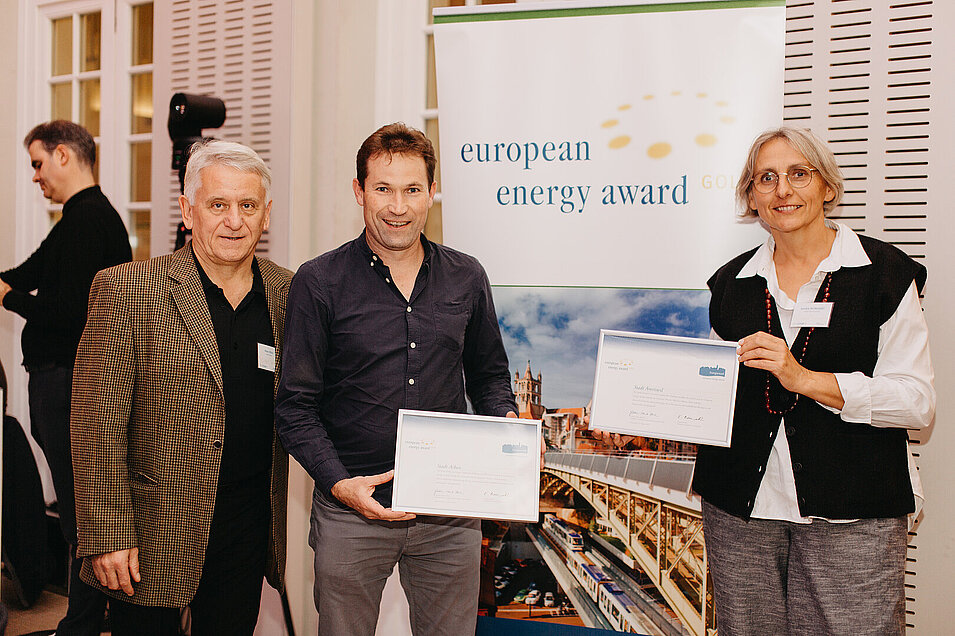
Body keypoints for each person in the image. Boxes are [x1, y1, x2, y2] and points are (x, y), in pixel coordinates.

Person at [275, 122, 518, 636]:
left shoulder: (467, 276)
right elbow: (295, 406)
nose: (398, 207)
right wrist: (339, 484)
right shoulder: (319, 282)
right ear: (359, 191)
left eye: (412, 189)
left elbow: (490, 377)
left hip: (449, 513)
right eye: (383, 189)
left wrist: (509, 424)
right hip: (351, 511)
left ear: (432, 192)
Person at [692, 127, 935, 635]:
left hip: (854, 514)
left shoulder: (884, 276)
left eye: (798, 174)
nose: (783, 190)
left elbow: (916, 403)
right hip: (740, 513)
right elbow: (714, 395)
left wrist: (803, 378)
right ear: (751, 197)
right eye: (766, 178)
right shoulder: (730, 285)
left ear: (827, 186)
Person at [70, 140, 291, 635]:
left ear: (266, 214)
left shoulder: (289, 293)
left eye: (248, 205)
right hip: (151, 530)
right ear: (188, 211)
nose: (234, 220)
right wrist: (107, 533)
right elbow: (95, 424)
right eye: (218, 205)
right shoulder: (128, 289)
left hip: (247, 526)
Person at [0, 120, 131, 635]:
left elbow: (67, 315)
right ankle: (82, 620)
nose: (35, 176)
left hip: (71, 383)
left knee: (81, 509)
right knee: (79, 505)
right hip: (60, 382)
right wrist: (8, 285)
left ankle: (81, 623)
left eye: (37, 163)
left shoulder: (89, 220)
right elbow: (31, 272)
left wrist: (8, 298)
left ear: (62, 155)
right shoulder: (77, 218)